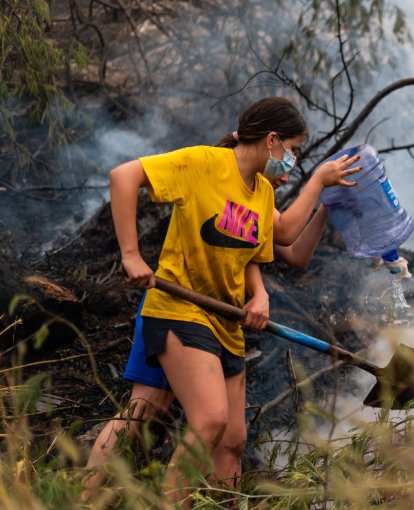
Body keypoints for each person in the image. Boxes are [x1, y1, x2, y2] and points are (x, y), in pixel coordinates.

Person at [97, 96, 358, 507]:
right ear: (272, 140)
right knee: (202, 419)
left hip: (224, 320)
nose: (292, 160)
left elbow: (283, 242)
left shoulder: (261, 192)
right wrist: (130, 255)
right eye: (291, 150)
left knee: (231, 439)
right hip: (179, 309)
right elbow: (123, 175)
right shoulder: (204, 164)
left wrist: (261, 291)